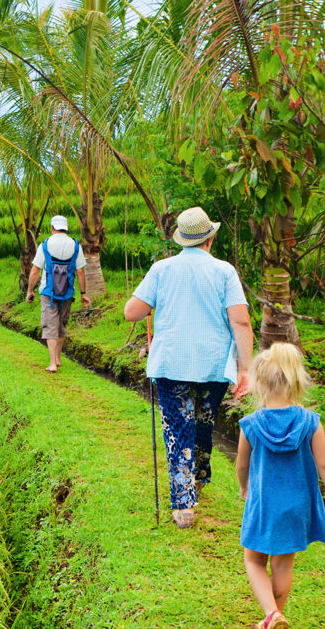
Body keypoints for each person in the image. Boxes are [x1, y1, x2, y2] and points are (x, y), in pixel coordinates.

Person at [123, 206, 254, 528]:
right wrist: (245, 369)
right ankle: (197, 480)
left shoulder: (162, 270)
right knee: (203, 424)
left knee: (177, 429)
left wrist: (153, 300)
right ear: (210, 238)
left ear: (182, 240)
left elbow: (131, 312)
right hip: (212, 366)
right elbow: (241, 322)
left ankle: (183, 505)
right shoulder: (225, 271)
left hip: (171, 364)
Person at [234, 343, 325, 629]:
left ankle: (271, 614)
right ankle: (276, 617)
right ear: (297, 380)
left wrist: (244, 486)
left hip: (265, 504)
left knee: (254, 560)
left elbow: (242, 465)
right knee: (283, 564)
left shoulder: (251, 424)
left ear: (259, 383)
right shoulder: (310, 422)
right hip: (297, 506)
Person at [25, 215, 90, 372]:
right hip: (68, 292)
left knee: (50, 326)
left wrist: (30, 290)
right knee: (61, 324)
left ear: (52, 227)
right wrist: (83, 293)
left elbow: (35, 270)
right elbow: (80, 272)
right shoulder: (75, 245)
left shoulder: (46, 245)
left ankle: (53, 363)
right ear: (66, 228)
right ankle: (58, 358)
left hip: (48, 292)